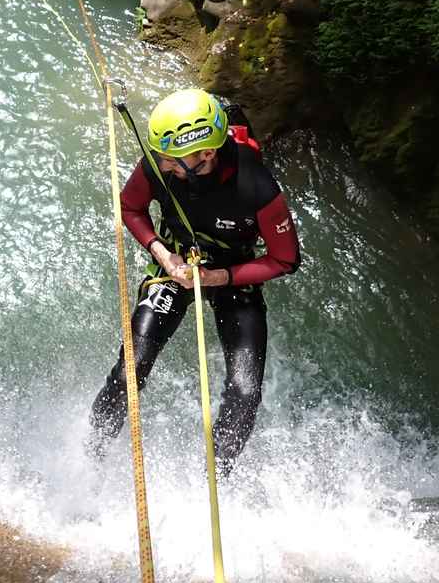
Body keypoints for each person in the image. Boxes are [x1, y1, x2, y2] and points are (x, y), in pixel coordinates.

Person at [88, 88, 301, 475]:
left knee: (245, 392)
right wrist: (162, 254)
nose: (162, 165)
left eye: (171, 160)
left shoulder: (257, 187)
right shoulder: (159, 163)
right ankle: (91, 454)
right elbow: (131, 206)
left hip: (234, 272)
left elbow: (285, 259)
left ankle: (214, 478)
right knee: (130, 369)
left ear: (206, 155)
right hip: (177, 261)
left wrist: (220, 276)